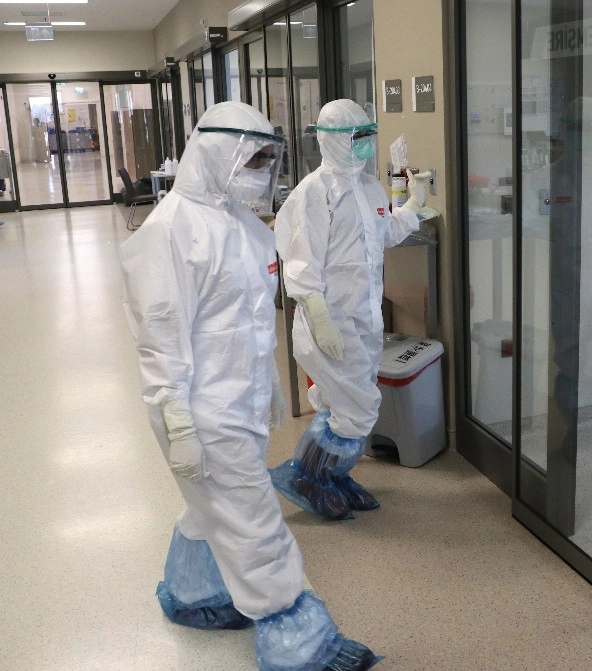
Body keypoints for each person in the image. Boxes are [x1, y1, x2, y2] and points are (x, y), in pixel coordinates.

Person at [120, 101, 379, 671]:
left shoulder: (241, 224)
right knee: (254, 522)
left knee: (211, 507)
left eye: (267, 159)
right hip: (200, 411)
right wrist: (179, 425)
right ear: (216, 154)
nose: (261, 172)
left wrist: (269, 390)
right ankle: (299, 643)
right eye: (252, 159)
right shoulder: (169, 233)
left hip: (240, 399)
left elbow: (252, 323)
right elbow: (160, 341)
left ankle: (197, 594)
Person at [272, 99, 430, 520]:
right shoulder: (313, 193)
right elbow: (300, 262)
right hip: (331, 319)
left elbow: (385, 233)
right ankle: (306, 476)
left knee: (340, 403)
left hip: (365, 316)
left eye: (367, 135)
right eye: (355, 137)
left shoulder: (369, 186)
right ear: (331, 140)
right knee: (358, 408)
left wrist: (414, 205)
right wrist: (321, 319)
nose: (364, 144)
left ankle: (332, 477)